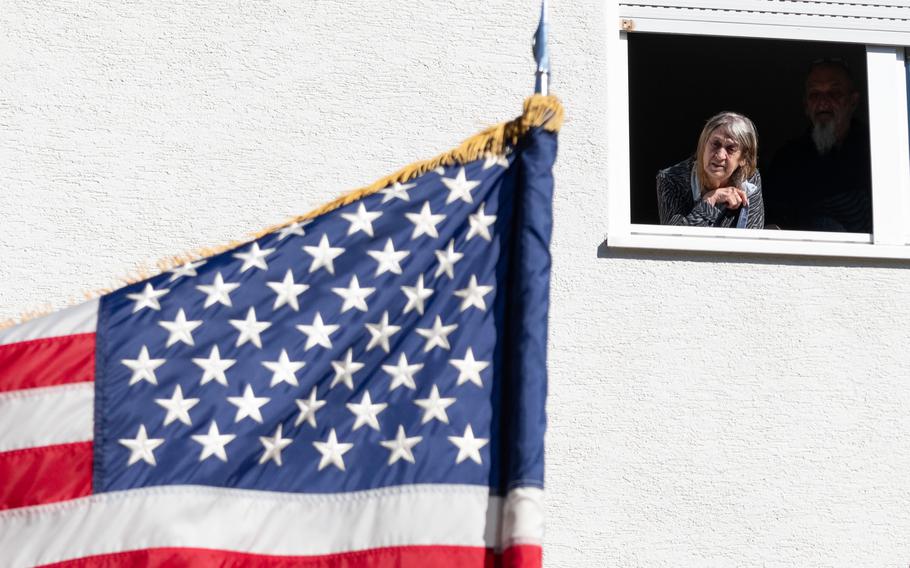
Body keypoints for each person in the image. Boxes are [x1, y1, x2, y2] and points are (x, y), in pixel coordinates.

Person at [765, 59, 872, 232]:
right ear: (806, 105)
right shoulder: (789, 159)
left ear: (853, 102)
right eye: (815, 94)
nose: (823, 102)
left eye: (834, 93)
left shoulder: (875, 150)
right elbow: (774, 222)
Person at [656, 111, 764, 228]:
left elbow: (752, 238)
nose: (720, 155)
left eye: (730, 148)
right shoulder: (671, 179)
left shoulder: (749, 179)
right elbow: (673, 240)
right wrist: (710, 200)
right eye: (716, 144)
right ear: (704, 145)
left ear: (744, 158)